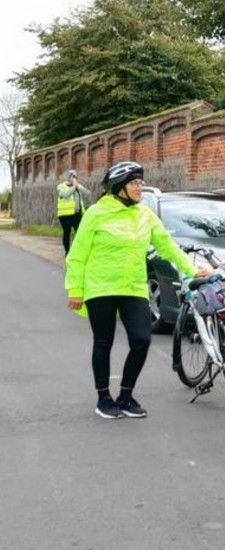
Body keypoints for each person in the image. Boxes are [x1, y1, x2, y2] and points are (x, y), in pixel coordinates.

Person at [65, 162, 196, 419]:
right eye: (134, 183)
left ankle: (126, 395)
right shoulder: (96, 213)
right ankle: (104, 397)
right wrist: (75, 288)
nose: (140, 187)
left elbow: (168, 247)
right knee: (104, 342)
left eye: (141, 183)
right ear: (118, 187)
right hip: (100, 286)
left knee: (141, 340)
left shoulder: (144, 214)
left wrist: (191, 270)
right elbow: (77, 254)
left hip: (134, 287)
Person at [57, 169, 91, 255]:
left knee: (79, 233)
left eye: (75, 177)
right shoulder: (61, 186)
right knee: (67, 233)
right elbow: (65, 194)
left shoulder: (77, 187)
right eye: (72, 177)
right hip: (65, 215)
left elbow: (88, 193)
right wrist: (74, 187)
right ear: (68, 178)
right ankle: (67, 251)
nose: (74, 179)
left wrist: (79, 187)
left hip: (77, 214)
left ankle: (77, 251)